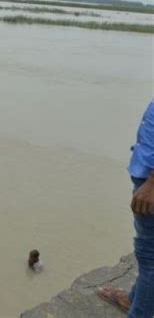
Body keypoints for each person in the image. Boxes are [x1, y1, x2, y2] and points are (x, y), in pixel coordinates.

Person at [98, 100, 154, 317]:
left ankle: (138, 311)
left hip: (149, 184)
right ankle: (134, 300)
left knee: (150, 257)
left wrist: (152, 183)